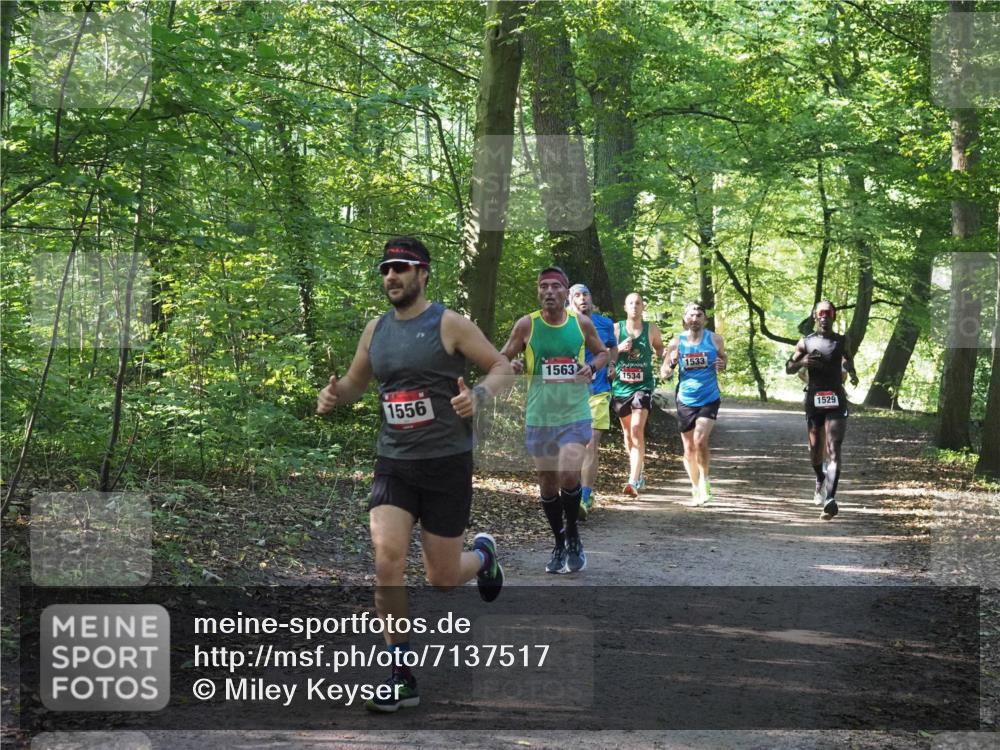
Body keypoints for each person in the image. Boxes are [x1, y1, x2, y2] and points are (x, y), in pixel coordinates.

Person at [316, 236, 513, 712]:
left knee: (442, 579)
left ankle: (483, 557)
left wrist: (479, 397)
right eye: (385, 269)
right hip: (394, 463)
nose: (391, 276)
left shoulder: (449, 324)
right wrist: (333, 396)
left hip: (446, 463)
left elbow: (502, 366)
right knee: (387, 559)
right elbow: (356, 384)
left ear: (423, 273)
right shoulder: (375, 330)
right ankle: (400, 674)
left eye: (401, 268)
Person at [500, 267, 609, 574]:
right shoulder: (526, 325)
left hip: (574, 412)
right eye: (543, 287)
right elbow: (502, 357)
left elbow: (602, 353)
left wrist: (592, 366)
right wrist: (514, 363)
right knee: (547, 483)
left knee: (569, 474)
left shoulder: (581, 323)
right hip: (540, 415)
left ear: (565, 293)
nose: (548, 291)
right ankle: (559, 541)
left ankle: (573, 532)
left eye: (555, 287)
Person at [785, 300, 859, 521]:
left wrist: (851, 372)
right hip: (814, 398)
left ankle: (830, 499)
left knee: (834, 446)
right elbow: (788, 368)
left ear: (833, 316)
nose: (824, 316)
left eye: (828, 313)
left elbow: (847, 360)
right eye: (820, 313)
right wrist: (802, 362)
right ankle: (820, 477)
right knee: (816, 450)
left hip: (836, 397)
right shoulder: (806, 342)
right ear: (815, 317)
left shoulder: (841, 340)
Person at [662, 302, 727, 505]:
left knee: (700, 441)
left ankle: (705, 481)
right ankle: (694, 486)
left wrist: (722, 364)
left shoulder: (714, 339)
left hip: (709, 397)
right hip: (685, 399)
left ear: (704, 319)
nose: (695, 318)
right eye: (692, 315)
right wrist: (671, 363)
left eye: (699, 314)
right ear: (685, 319)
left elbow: (723, 361)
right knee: (689, 448)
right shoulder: (676, 342)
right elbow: (664, 374)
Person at [568, 283, 618, 519]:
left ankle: (585, 496)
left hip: (598, 390)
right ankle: (571, 491)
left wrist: (612, 365)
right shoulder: (562, 322)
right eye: (577, 295)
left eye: (585, 293)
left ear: (591, 297)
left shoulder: (604, 323)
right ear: (570, 299)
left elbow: (611, 348)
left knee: (591, 443)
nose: (582, 298)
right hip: (568, 394)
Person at [612, 293, 666, 496]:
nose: (635, 306)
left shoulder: (651, 328)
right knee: (628, 436)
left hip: (642, 388)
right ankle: (639, 472)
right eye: (631, 303)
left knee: (636, 430)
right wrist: (618, 348)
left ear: (643, 307)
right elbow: (604, 352)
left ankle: (632, 481)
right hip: (620, 388)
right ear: (625, 307)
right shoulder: (616, 328)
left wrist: (666, 359)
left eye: (638, 303)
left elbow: (660, 348)